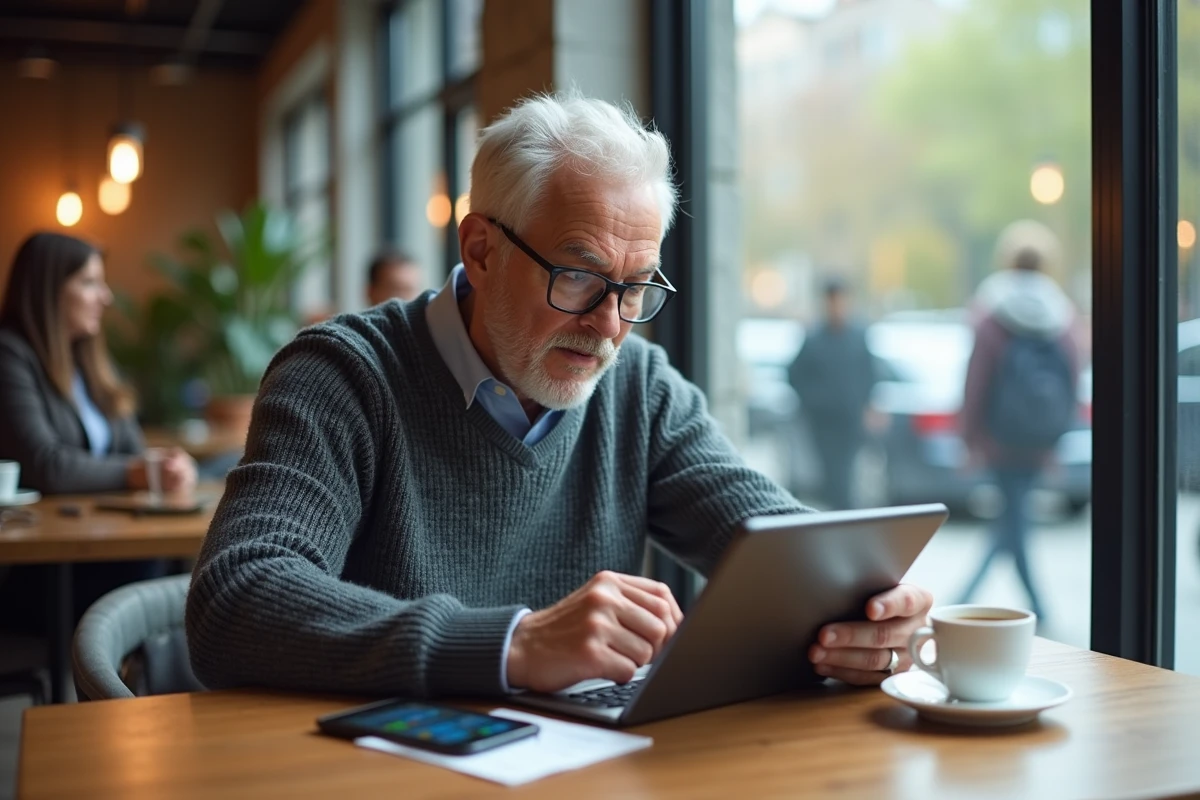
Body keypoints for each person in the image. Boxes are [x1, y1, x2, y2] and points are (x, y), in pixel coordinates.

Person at [186, 92, 933, 699]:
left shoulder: (639, 389)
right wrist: (513, 644)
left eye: (635, 287)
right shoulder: (344, 376)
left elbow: (775, 545)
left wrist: (867, 605)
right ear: (480, 250)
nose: (609, 326)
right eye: (578, 276)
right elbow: (237, 598)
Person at [0, 232, 198, 624]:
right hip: (48, 565)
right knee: (157, 575)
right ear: (48, 290)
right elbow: (47, 465)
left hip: (104, 544)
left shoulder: (88, 362)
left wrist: (169, 466)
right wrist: (138, 472)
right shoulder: (10, 354)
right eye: (89, 282)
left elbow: (134, 451)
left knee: (172, 564)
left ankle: (154, 678)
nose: (105, 296)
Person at [957, 222, 1080, 621]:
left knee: (1010, 524)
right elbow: (1072, 382)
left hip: (998, 439)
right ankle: (1032, 608)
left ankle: (960, 603)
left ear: (1007, 261)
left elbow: (976, 381)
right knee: (1013, 519)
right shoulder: (1061, 318)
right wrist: (1055, 439)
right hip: (1038, 440)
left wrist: (969, 438)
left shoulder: (992, 315)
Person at [787, 278, 877, 510]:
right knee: (831, 476)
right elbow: (794, 376)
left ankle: (844, 515)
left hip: (850, 420)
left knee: (847, 476)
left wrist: (869, 406)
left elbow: (870, 374)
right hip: (823, 423)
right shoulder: (814, 339)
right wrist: (815, 402)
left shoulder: (858, 337)